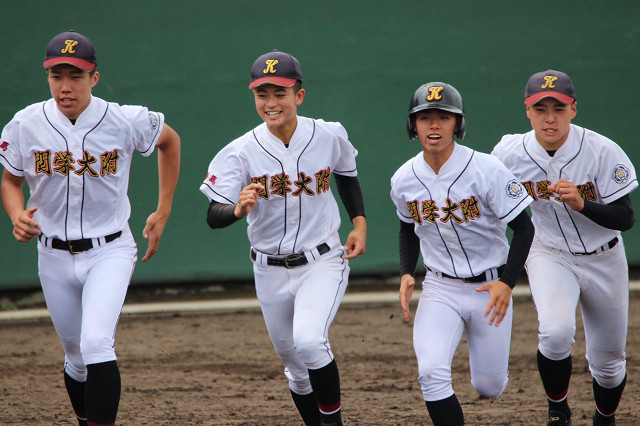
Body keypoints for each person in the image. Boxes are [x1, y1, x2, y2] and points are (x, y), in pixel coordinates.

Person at [0, 30, 180, 426]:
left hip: (110, 249)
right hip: (52, 253)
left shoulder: (124, 119)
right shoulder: (25, 123)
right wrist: (16, 215)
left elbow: (170, 141)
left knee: (96, 343)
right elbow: (10, 181)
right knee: (76, 358)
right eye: (56, 75)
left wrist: (163, 207)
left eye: (76, 76)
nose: (65, 86)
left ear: (94, 78)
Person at [199, 50, 366, 426]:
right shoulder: (239, 152)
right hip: (269, 270)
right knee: (294, 366)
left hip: (322, 259)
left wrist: (360, 223)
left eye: (280, 93)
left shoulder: (328, 134)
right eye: (263, 94)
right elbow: (213, 216)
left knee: (309, 341)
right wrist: (238, 210)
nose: (271, 103)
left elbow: (346, 174)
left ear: (299, 96)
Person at [492, 70, 637, 426]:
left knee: (608, 363)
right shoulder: (509, 153)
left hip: (605, 256)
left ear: (573, 109)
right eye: (540, 108)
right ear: (528, 112)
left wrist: (584, 204)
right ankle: (558, 411)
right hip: (549, 253)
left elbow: (626, 217)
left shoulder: (602, 150)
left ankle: (606, 417)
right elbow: (488, 204)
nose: (549, 117)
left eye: (558, 107)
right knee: (555, 333)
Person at [390, 82, 534, 426]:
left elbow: (525, 229)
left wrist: (507, 283)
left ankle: (490, 376)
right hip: (440, 288)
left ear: (458, 124)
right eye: (425, 117)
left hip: (491, 288)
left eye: (444, 117)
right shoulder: (403, 179)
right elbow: (408, 228)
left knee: (490, 385)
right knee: (430, 372)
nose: (434, 125)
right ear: (414, 126)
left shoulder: (487, 170)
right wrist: (407, 272)